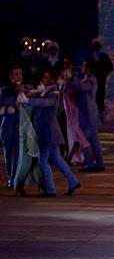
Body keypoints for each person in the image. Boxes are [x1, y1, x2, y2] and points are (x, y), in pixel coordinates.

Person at [17, 69, 80, 197]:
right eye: (44, 77)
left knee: (43, 161)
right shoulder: (46, 91)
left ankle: (50, 189)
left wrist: (28, 101)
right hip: (47, 132)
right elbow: (37, 96)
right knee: (57, 159)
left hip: (48, 133)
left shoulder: (54, 92)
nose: (44, 79)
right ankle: (73, 182)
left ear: (52, 79)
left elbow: (45, 103)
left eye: (47, 77)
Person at [71, 60, 105, 172]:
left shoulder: (91, 79)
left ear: (89, 68)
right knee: (93, 141)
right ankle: (99, 164)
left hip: (88, 115)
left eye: (84, 66)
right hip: (88, 114)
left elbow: (81, 88)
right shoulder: (87, 78)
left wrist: (73, 77)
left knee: (84, 140)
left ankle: (90, 164)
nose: (82, 68)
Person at [58, 59, 90, 165]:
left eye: (68, 63)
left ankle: (79, 156)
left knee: (74, 129)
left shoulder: (75, 75)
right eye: (64, 63)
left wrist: (69, 84)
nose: (66, 65)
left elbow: (77, 88)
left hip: (73, 105)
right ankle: (74, 156)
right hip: (65, 105)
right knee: (70, 131)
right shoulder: (62, 75)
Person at [0, 65, 23, 188]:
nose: (19, 76)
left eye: (20, 73)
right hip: (8, 124)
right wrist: (4, 109)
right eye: (16, 74)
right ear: (11, 76)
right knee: (8, 153)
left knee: (18, 154)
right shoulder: (4, 90)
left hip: (20, 126)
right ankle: (10, 177)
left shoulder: (26, 89)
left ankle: (15, 177)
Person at [86, 38, 114, 120]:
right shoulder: (89, 56)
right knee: (91, 97)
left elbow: (110, 67)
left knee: (100, 96)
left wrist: (104, 73)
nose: (96, 46)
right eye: (94, 45)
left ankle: (100, 114)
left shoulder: (104, 56)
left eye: (97, 45)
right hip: (91, 81)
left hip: (101, 80)